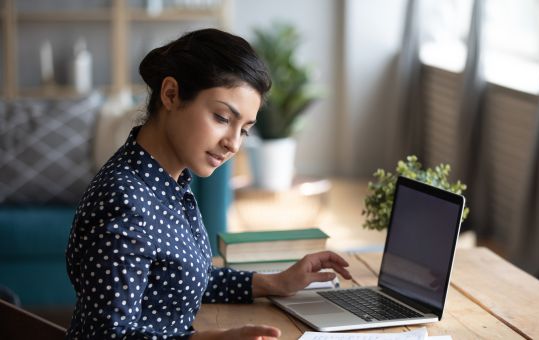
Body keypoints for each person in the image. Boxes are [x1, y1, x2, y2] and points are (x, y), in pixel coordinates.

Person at [65, 28, 352, 339]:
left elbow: (180, 280)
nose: (233, 144)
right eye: (222, 118)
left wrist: (275, 283)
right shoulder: (125, 199)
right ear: (171, 94)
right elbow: (107, 336)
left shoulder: (169, 183)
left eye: (244, 130)